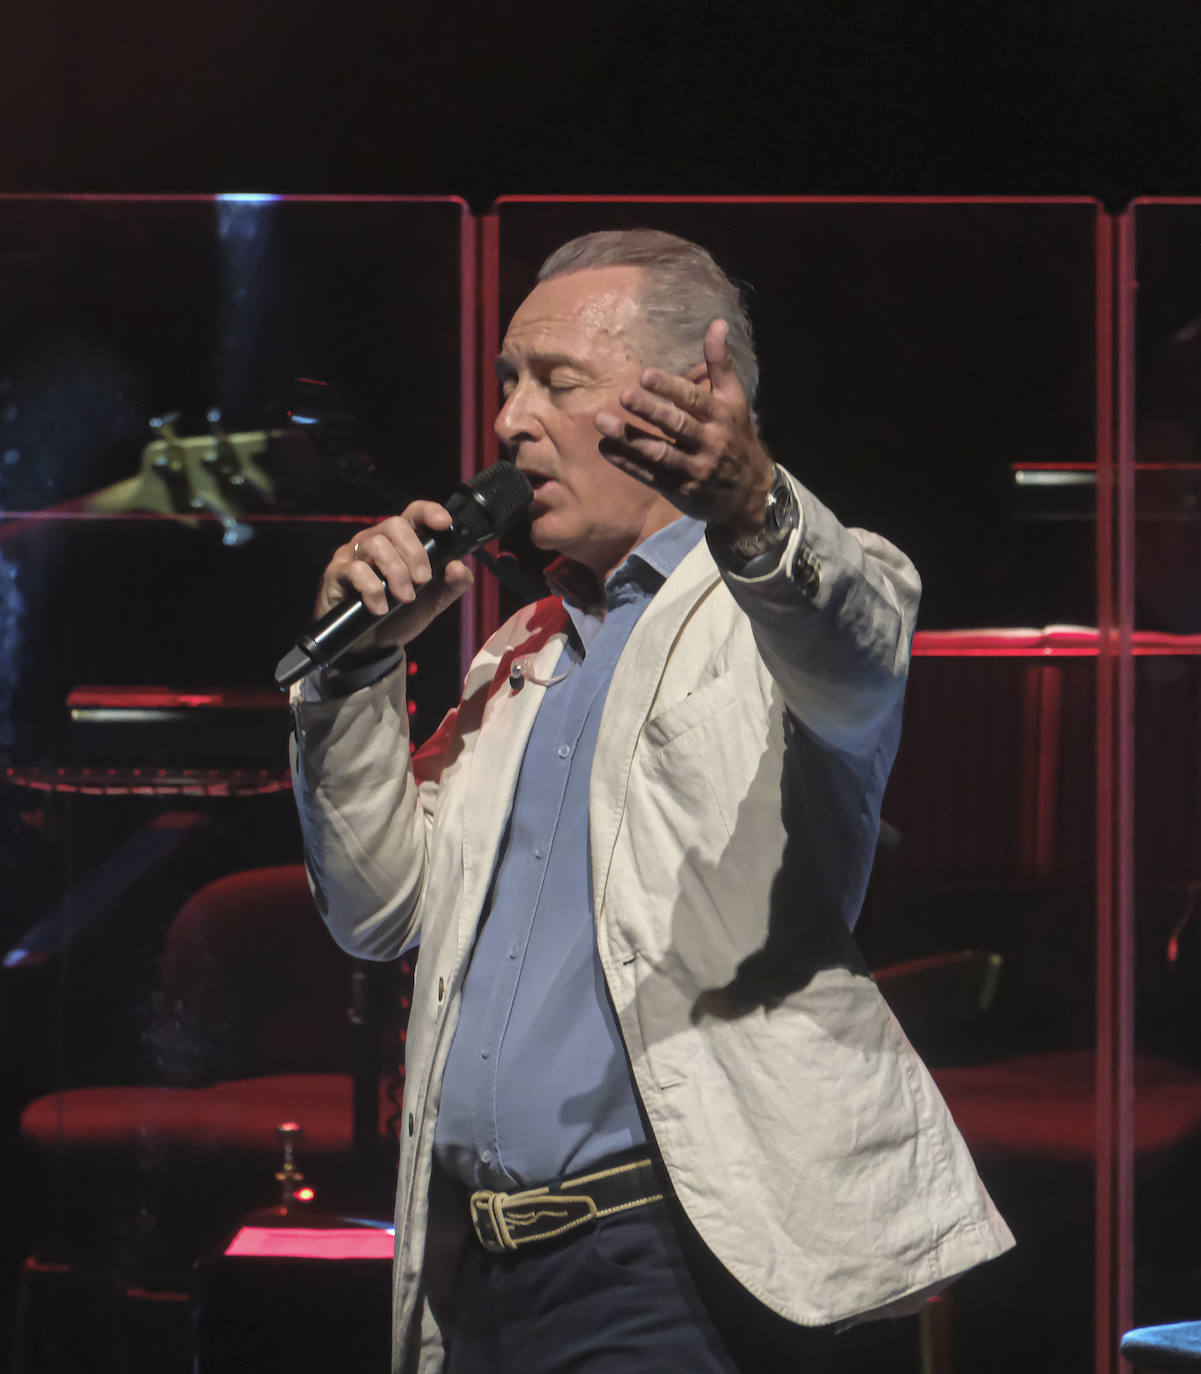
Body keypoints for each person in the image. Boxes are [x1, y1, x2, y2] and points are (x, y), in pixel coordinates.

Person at [289, 229, 1013, 1374]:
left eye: (553, 383)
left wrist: (756, 500)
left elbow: (852, 645)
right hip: (474, 1268)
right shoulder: (516, 660)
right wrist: (354, 678)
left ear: (683, 395)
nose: (509, 422)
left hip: (662, 1264)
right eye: (506, 384)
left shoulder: (794, 600)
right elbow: (376, 913)